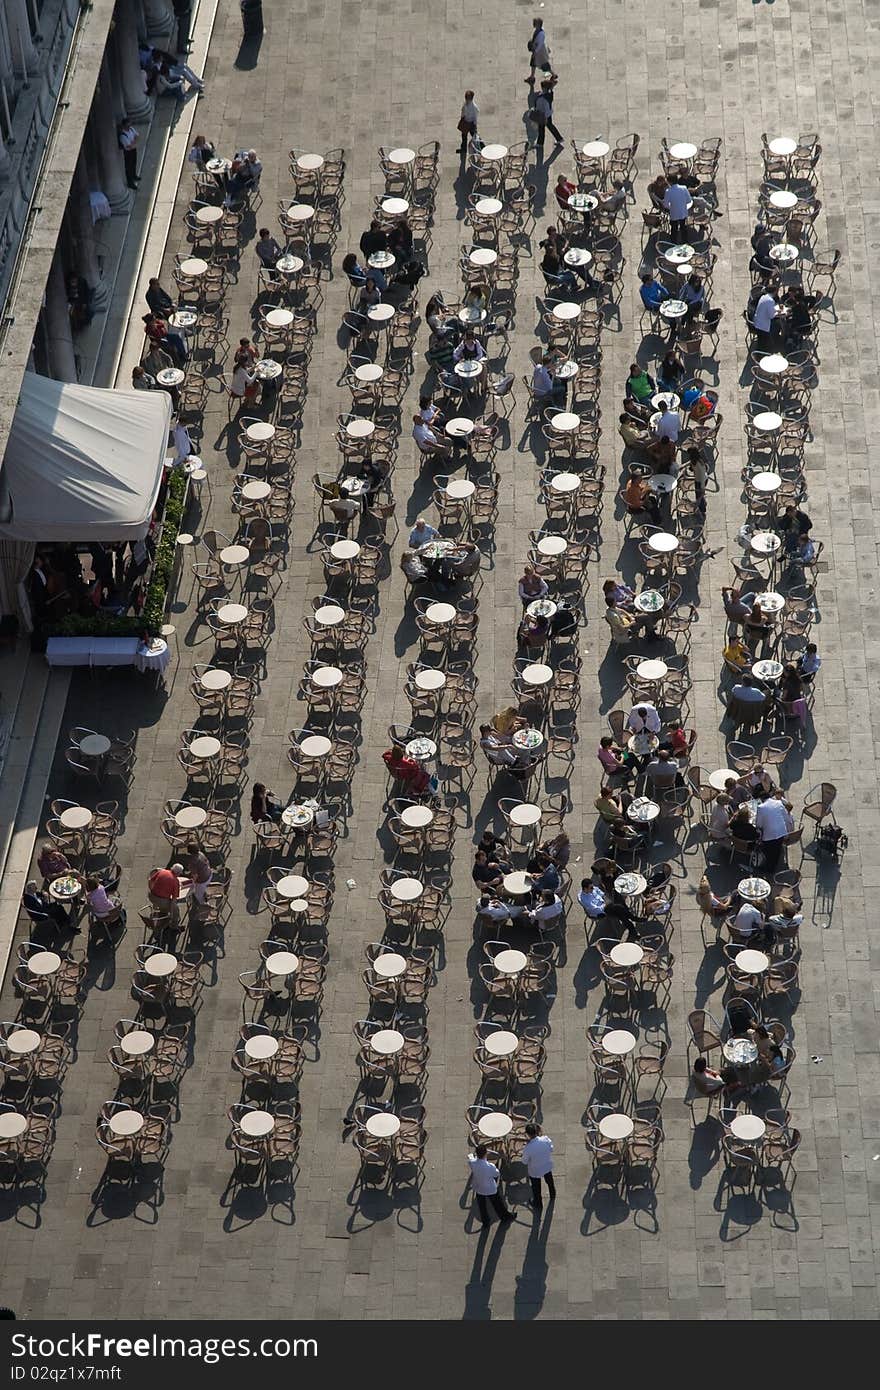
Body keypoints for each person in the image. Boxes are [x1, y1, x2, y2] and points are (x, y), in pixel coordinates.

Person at [468, 1145, 514, 1227]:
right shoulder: (490, 1166)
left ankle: (486, 1223)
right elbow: (497, 1174)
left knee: (482, 1207)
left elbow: (470, 1158)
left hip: (479, 1188)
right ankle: (505, 1217)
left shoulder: (472, 1163)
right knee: (498, 1205)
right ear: (485, 1154)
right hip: (490, 1189)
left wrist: (472, 1156)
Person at [755, 794, 794, 872]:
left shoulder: (760, 808)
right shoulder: (779, 803)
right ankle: (774, 865)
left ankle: (769, 869)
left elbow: (759, 824)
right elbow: (785, 816)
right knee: (777, 850)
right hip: (781, 832)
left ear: (762, 799)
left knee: (769, 852)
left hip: (769, 835)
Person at [522, 1124, 556, 1211]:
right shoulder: (545, 1139)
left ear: (528, 1134)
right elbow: (551, 1149)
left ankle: (538, 1204)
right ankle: (553, 1194)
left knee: (536, 1188)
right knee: (550, 1182)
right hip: (546, 1166)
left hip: (535, 1170)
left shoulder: (528, 1148)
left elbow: (524, 1161)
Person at [532, 80, 563, 150]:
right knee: (549, 127)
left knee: (542, 128)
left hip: (544, 116)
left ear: (545, 88)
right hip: (545, 115)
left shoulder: (544, 98)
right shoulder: (548, 94)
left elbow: (546, 109)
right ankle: (559, 138)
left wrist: (545, 118)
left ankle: (540, 143)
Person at [526, 16, 554, 82]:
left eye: (535, 23)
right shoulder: (537, 30)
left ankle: (554, 75)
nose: (533, 23)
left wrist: (535, 52)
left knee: (544, 65)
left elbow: (540, 44)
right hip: (536, 51)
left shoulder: (541, 34)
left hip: (540, 53)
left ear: (538, 24)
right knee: (533, 63)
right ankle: (532, 77)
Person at [118, 118, 140, 190]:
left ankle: (134, 176)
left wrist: (133, 143)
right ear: (124, 125)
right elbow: (128, 146)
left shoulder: (131, 129)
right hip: (128, 153)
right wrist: (134, 142)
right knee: (128, 167)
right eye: (128, 124)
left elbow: (137, 136)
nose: (129, 125)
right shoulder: (123, 136)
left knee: (134, 163)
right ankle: (130, 183)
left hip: (133, 150)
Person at [458, 89, 479, 154]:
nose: (466, 100)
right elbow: (463, 113)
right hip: (465, 122)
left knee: (474, 137)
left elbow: (475, 116)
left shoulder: (474, 107)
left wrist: (475, 125)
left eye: (468, 99)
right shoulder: (465, 105)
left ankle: (478, 148)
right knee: (464, 137)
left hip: (471, 123)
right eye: (466, 98)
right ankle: (463, 149)